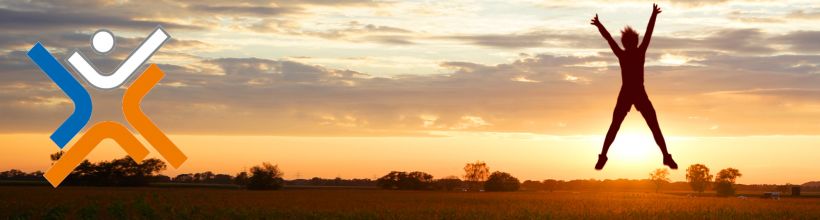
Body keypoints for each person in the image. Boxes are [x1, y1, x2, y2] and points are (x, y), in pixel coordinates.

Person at [591, 4, 677, 170]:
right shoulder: (637, 52)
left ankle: (603, 156)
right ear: (634, 42)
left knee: (619, 126)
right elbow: (648, 33)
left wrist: (599, 25)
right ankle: (665, 156)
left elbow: (609, 38)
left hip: (634, 93)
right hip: (633, 93)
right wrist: (654, 15)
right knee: (649, 126)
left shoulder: (625, 54)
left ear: (625, 43)